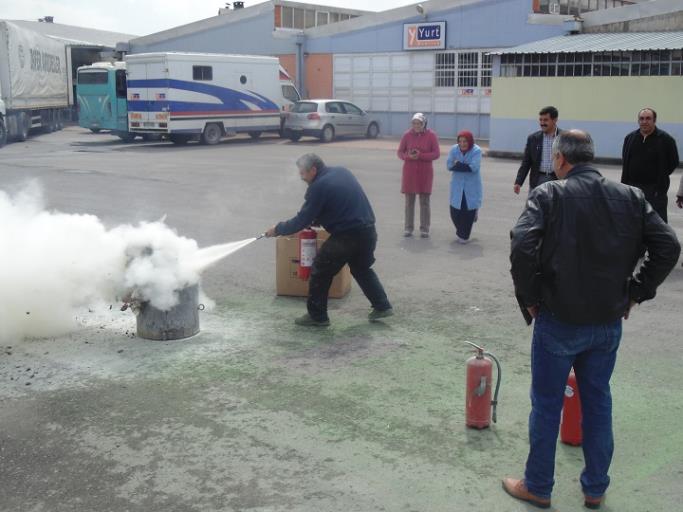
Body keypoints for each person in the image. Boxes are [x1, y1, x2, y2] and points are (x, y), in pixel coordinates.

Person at [506, 130, 680, 510]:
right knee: (598, 402)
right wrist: (635, 291)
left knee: (548, 404)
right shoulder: (631, 197)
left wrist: (531, 298)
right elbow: (668, 246)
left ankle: (538, 486)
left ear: (561, 160)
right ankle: (595, 489)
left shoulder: (549, 194)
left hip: (558, 318)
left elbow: (522, 244)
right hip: (606, 321)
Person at [265, 153, 393, 327]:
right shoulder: (341, 171)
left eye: (303, 173)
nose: (301, 177)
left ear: (313, 170)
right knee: (361, 268)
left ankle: (317, 316)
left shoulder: (318, 187)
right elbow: (341, 203)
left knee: (320, 270)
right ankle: (382, 305)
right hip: (368, 231)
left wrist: (278, 229)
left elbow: (302, 219)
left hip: (347, 236)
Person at [621, 107, 679, 223]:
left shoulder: (666, 140)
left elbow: (673, 162)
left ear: (654, 120)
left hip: (655, 190)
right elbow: (625, 159)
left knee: (657, 223)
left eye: (648, 118)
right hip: (633, 188)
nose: (644, 121)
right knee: (633, 222)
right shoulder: (630, 138)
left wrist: (661, 177)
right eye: (641, 119)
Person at [396, 113, 440, 238]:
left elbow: (436, 154)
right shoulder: (407, 135)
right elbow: (400, 152)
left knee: (424, 201)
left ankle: (424, 228)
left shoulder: (431, 135)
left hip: (425, 173)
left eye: (419, 123)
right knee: (409, 201)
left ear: (424, 124)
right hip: (409, 172)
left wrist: (420, 155)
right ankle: (408, 228)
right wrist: (408, 156)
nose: (416, 126)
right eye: (414, 123)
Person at [514, 106, 562, 195]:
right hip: (538, 179)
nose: (542, 123)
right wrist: (518, 182)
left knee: (555, 208)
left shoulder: (565, 137)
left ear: (555, 120)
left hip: (557, 180)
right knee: (534, 207)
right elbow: (526, 162)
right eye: (540, 120)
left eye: (545, 120)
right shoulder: (533, 138)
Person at [446, 130, 482, 244]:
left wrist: (458, 164)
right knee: (455, 212)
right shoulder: (454, 149)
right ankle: (462, 231)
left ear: (470, 141)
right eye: (460, 141)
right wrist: (463, 166)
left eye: (465, 141)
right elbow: (448, 165)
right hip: (457, 186)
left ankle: (464, 235)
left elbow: (473, 168)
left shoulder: (476, 150)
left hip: (471, 186)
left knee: (468, 211)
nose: (462, 144)